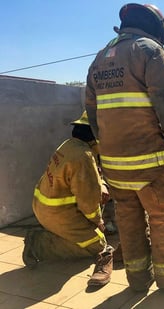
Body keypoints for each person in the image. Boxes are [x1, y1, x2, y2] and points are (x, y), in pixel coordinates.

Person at [84, 3, 164, 293]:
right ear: (154, 25)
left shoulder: (100, 58)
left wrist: (106, 151)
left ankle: (138, 279)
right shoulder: (149, 51)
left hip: (115, 167)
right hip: (151, 164)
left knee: (128, 222)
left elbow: (92, 111)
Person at [23, 111, 115, 287]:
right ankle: (38, 245)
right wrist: (98, 221)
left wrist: (101, 184)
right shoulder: (84, 157)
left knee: (88, 232)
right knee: (97, 244)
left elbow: (89, 177)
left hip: (43, 207)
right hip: (59, 214)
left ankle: (57, 235)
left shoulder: (70, 146)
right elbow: (88, 201)